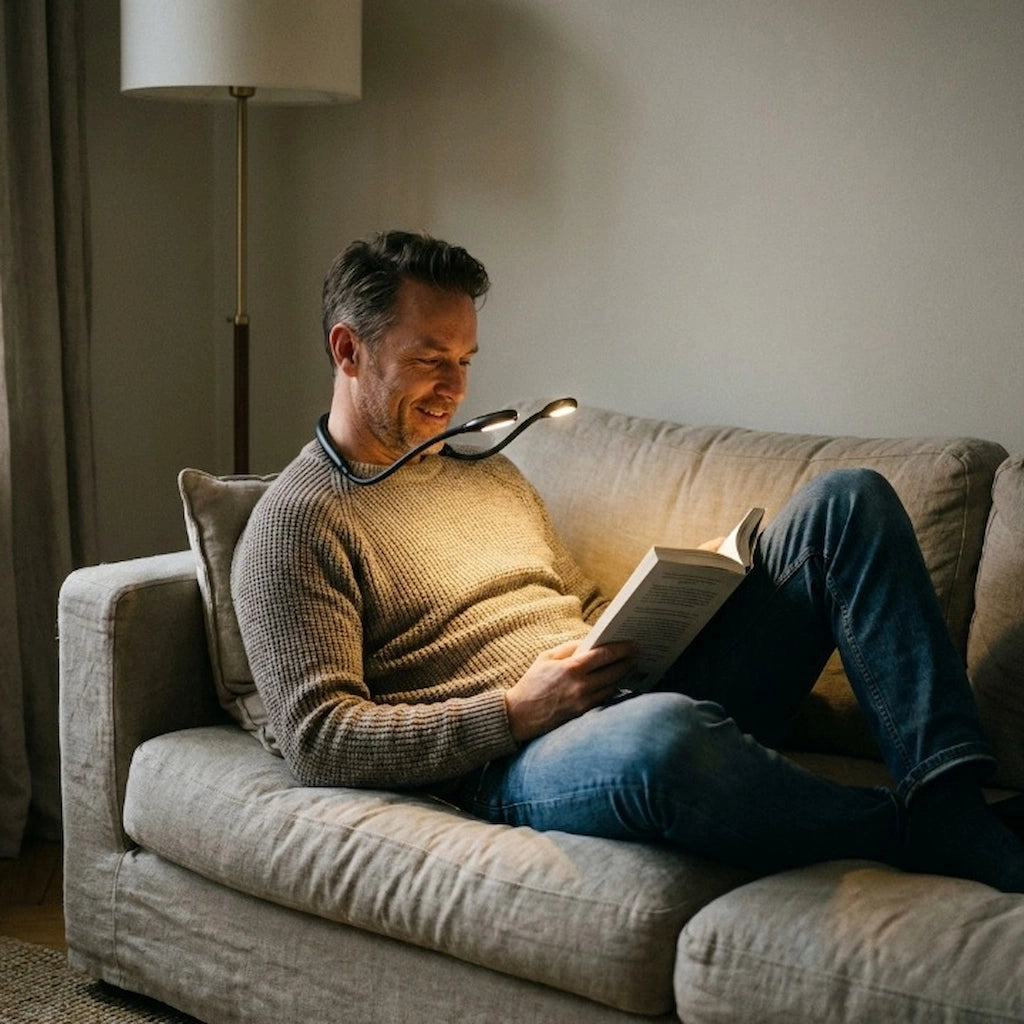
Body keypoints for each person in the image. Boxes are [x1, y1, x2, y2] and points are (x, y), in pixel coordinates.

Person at [232, 230, 1024, 892]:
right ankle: (915, 831)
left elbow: (576, 603)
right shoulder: (296, 525)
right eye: (431, 359)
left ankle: (949, 796)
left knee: (848, 501)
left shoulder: (488, 472)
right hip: (515, 758)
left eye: (467, 360)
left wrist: (683, 601)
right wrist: (514, 712)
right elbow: (320, 739)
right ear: (349, 350)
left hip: (620, 689)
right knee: (662, 738)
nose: (456, 389)